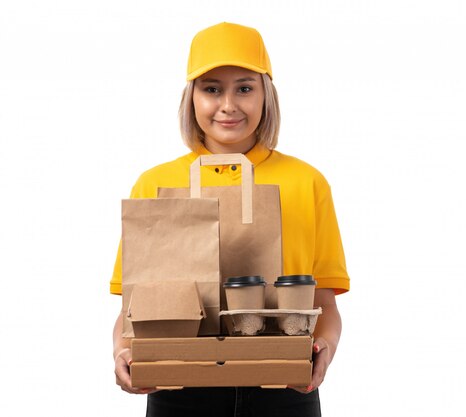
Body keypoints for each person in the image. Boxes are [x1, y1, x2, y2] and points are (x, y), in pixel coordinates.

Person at [110, 22, 350, 416]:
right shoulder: (154, 183)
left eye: (244, 87)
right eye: (211, 89)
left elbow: (324, 299)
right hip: (179, 385)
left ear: (265, 94)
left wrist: (326, 350)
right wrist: (122, 351)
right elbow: (132, 307)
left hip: (284, 386)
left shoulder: (307, 182)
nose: (228, 105)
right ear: (192, 98)